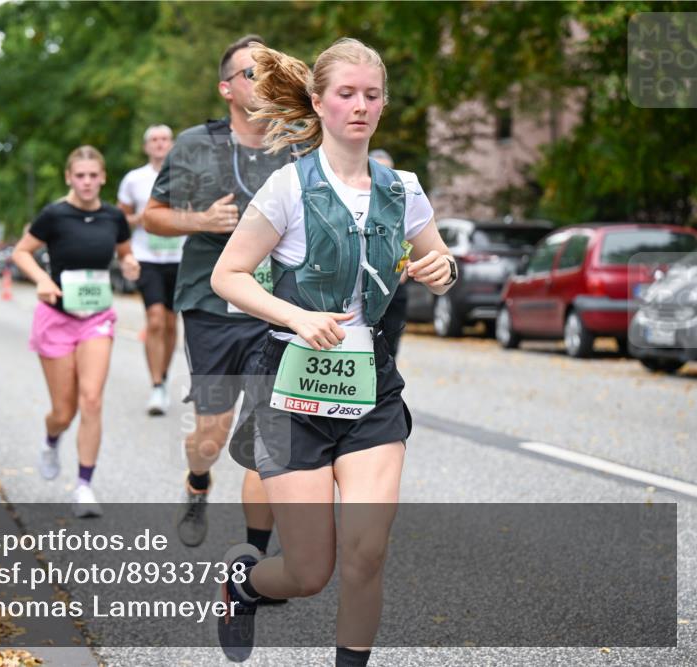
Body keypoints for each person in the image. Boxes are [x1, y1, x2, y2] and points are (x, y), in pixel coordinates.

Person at [209, 39, 457, 664]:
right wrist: (297, 315)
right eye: (346, 94)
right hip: (291, 391)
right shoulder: (288, 187)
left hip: (369, 387)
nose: (361, 106)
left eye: (372, 95)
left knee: (368, 553)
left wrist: (439, 269)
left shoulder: (402, 189)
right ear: (319, 103)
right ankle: (244, 583)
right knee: (308, 571)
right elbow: (229, 275)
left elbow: (442, 258)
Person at [144, 35, 292, 553]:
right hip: (211, 306)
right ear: (226, 88)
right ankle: (198, 481)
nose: (263, 79)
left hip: (276, 305)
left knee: (270, 428)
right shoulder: (193, 144)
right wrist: (199, 220)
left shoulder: (298, 140)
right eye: (251, 72)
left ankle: (254, 554)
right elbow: (152, 216)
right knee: (212, 432)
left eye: (269, 70)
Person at [11, 146, 140, 518]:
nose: (86, 182)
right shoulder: (54, 214)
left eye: (93, 175)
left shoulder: (114, 217)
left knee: (92, 399)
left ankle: (84, 485)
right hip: (56, 317)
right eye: (79, 175)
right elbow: (21, 252)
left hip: (96, 316)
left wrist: (130, 265)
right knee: (64, 411)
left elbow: (125, 252)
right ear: (69, 177)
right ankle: (52, 439)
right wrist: (40, 280)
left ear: (102, 178)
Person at [117, 124, 179, 416]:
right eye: (154, 140)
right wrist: (141, 219)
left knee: (170, 322)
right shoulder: (134, 179)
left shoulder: (186, 175)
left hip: (180, 257)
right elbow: (120, 221)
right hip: (147, 258)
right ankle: (156, 384)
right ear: (146, 146)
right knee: (154, 319)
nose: (159, 144)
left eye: (164, 139)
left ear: (172, 144)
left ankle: (163, 376)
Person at [369, 149, 409, 357]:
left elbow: (406, 243)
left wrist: (401, 269)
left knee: (389, 346)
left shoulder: (402, 202)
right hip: (364, 288)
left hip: (393, 288)